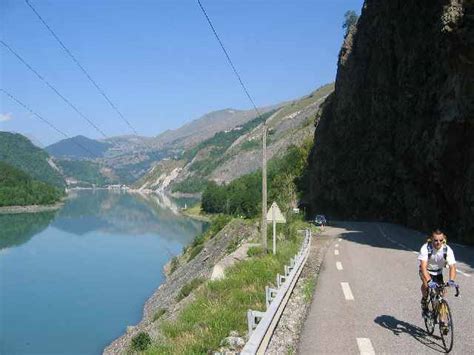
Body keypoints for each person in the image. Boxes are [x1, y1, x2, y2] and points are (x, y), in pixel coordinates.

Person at [418, 229, 457, 329]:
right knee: (426, 285)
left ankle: (443, 322)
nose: (438, 242)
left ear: (443, 240)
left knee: (441, 294)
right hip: (426, 271)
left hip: (438, 272)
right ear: (431, 239)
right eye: (435, 240)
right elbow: (423, 267)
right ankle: (424, 301)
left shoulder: (447, 249)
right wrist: (429, 281)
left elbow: (452, 266)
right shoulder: (426, 248)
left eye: (440, 240)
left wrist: (451, 281)